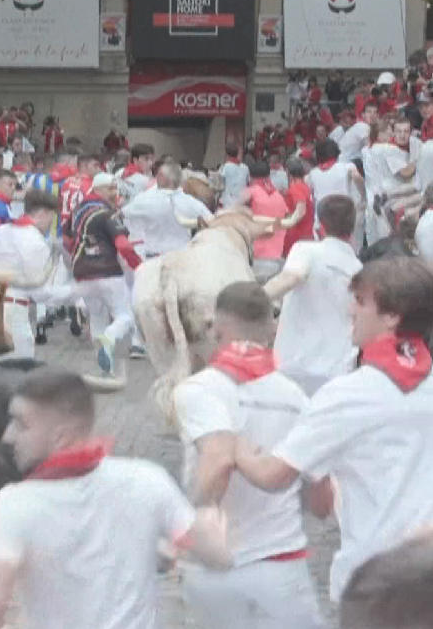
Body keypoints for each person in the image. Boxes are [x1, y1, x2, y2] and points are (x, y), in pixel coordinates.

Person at [235, 257, 433, 603]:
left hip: (375, 583)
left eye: (360, 300)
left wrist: (232, 443)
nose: (350, 309)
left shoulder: (348, 394)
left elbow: (275, 477)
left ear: (392, 316)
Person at [0, 368, 231, 629]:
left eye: (21, 424)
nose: (7, 436)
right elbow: (219, 557)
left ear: (60, 436)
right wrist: (208, 520)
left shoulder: (11, 506)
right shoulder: (147, 480)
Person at [174, 282, 326, 629]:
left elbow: (218, 460)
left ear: (217, 329)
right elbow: (321, 501)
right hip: (281, 565)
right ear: (271, 332)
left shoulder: (197, 389)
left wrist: (188, 523)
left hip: (211, 570)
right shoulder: (298, 398)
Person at [265, 195, 363, 396]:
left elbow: (292, 277)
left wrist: (250, 298)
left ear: (320, 225)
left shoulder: (305, 250)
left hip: (292, 369)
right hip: (338, 373)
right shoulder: (359, 270)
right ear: (352, 227)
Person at [65, 173, 141, 375]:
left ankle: (104, 369)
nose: (114, 192)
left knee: (97, 317)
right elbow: (123, 244)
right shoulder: (107, 213)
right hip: (108, 270)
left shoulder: (78, 210)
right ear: (99, 189)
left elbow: (65, 237)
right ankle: (110, 338)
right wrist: (138, 265)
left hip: (82, 271)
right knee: (126, 316)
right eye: (111, 188)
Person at [0, 189, 60, 359]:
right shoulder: (36, 241)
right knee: (20, 368)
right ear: (43, 213)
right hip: (15, 309)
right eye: (51, 217)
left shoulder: (2, 230)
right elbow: (41, 294)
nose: (51, 223)